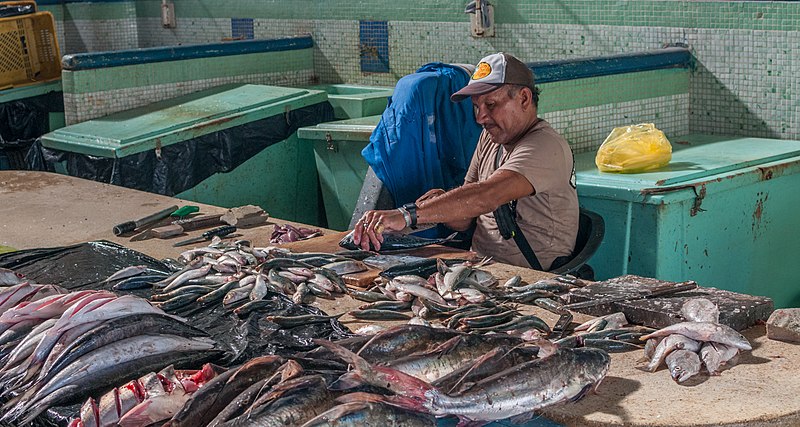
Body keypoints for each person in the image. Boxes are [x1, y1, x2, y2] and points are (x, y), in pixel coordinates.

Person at [352, 52, 578, 271]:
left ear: (524, 99)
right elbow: (466, 217)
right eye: (476, 107)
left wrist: (406, 214)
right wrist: (439, 204)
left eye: (490, 105)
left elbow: (485, 196)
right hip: (479, 267)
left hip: (528, 277)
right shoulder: (491, 139)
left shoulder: (546, 147)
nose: (480, 118)